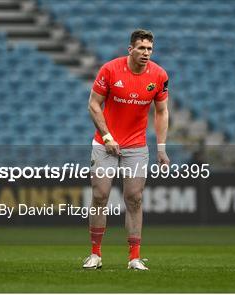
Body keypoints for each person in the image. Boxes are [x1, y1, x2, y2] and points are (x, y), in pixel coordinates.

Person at [83, 29, 170, 270]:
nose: (146, 53)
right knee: (100, 196)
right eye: (141, 48)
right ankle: (95, 254)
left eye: (150, 49)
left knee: (134, 199)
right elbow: (93, 104)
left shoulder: (159, 75)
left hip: (136, 146)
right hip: (104, 144)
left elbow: (162, 111)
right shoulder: (110, 70)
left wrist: (161, 148)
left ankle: (134, 258)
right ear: (130, 49)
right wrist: (108, 136)